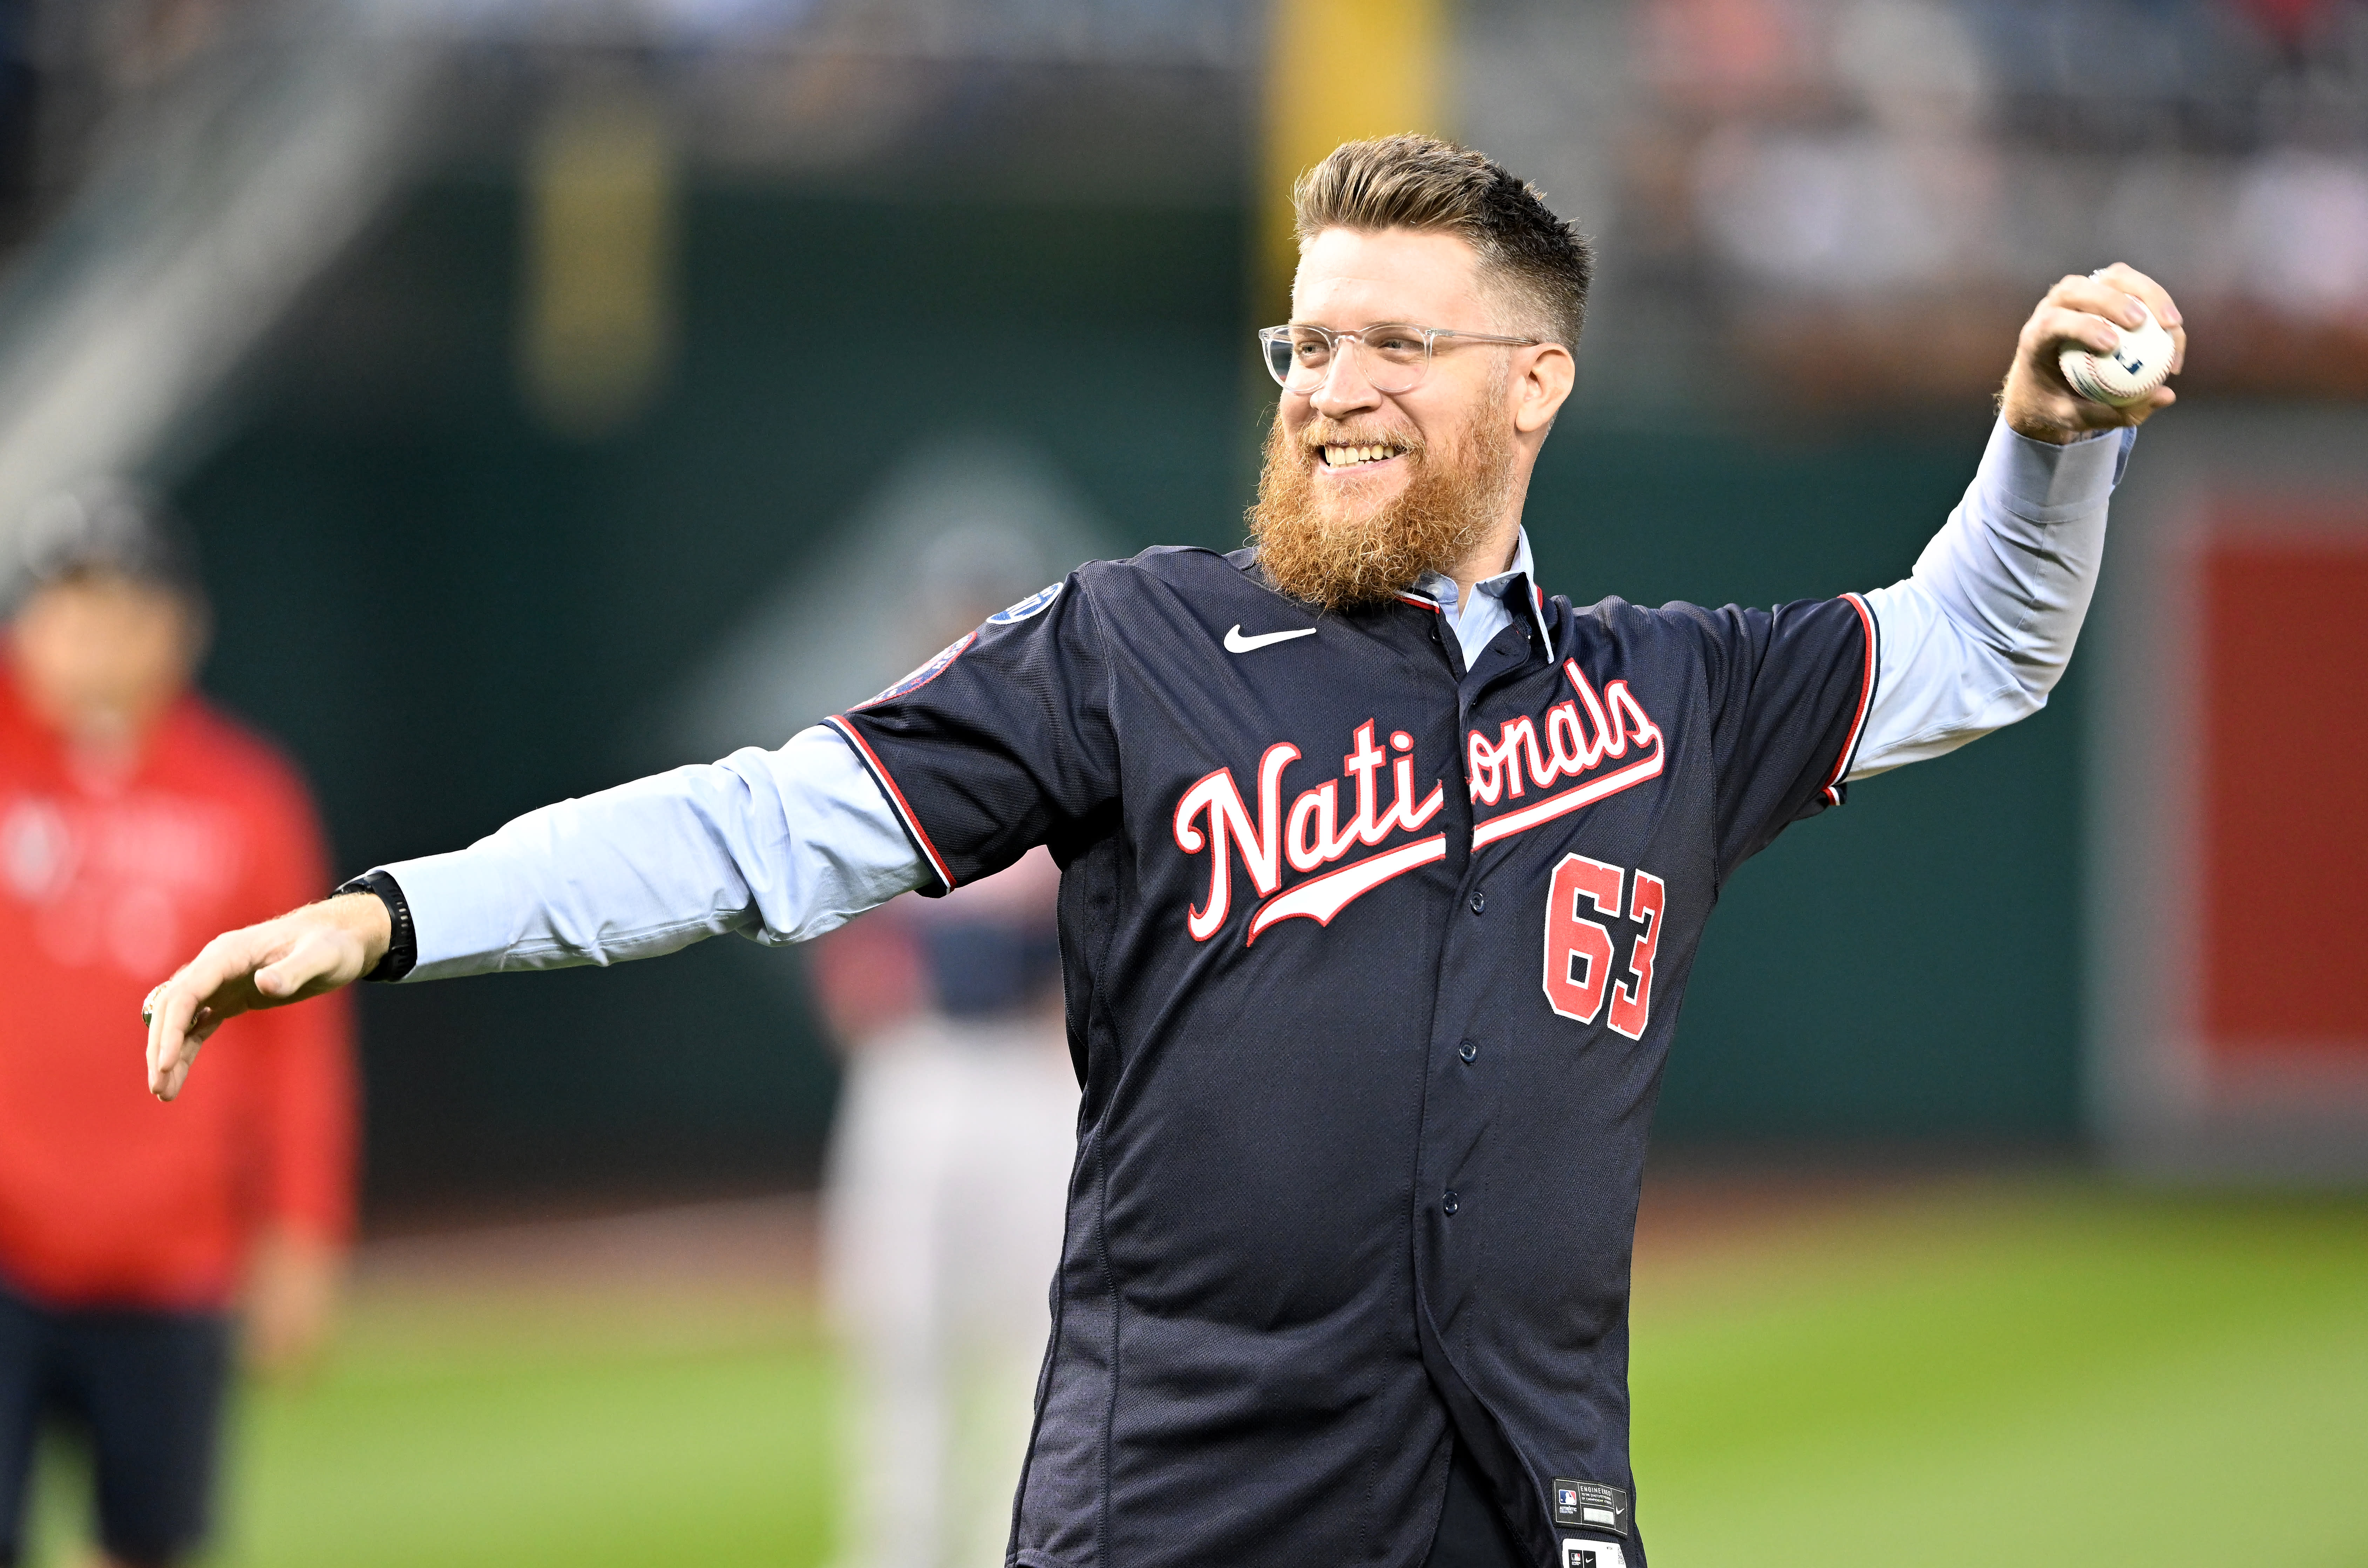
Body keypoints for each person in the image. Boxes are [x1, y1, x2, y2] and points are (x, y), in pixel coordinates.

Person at [139, 135, 2183, 1568]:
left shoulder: (1670, 690)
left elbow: (1978, 645)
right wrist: (405, 911)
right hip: (1185, 1506)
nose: (1335, 390)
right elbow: (768, 823)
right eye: (1310, 344)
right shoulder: (1138, 642)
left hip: (1533, 1501)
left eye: (1398, 341)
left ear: (1537, 381)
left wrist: (2044, 445)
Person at [0, 482, 356, 1568]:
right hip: (5, 1243)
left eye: (125, 608)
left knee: (148, 1543)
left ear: (181, 626)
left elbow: (300, 1043)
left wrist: (301, 1229)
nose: (96, 639)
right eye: (71, 606)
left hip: (172, 1256)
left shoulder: (247, 796)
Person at [810, 846, 1075, 1568]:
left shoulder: (1089, 745)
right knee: (897, 1324)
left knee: (1044, 1335)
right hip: (919, 1056)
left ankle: (1016, 1544)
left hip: (1039, 1056)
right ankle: (897, 1545)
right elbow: (848, 940)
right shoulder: (900, 743)